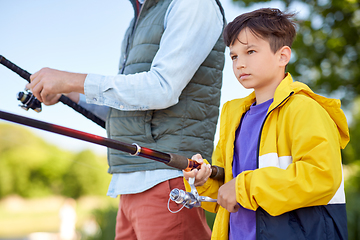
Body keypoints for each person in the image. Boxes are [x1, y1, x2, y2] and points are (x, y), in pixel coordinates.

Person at [27, 0, 226, 239]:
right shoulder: (140, 17)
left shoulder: (193, 5)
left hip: (168, 181)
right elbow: (128, 109)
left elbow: (162, 89)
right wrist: (71, 95)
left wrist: (72, 80)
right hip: (128, 184)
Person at [183, 8, 350, 240]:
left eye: (250, 51)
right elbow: (227, 192)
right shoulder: (233, 116)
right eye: (234, 56)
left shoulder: (304, 109)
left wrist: (242, 187)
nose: (240, 63)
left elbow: (321, 176)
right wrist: (204, 180)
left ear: (283, 56)